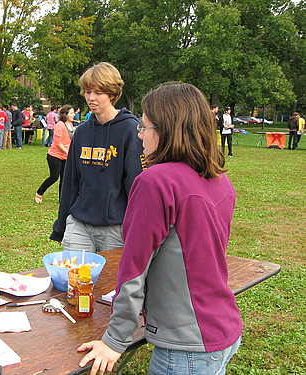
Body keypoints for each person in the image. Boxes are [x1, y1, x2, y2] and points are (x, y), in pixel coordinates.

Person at [78, 82, 242, 375]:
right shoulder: (221, 180)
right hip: (223, 328)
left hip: (186, 346)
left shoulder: (156, 182)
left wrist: (115, 340)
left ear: (166, 130)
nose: (139, 135)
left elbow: (134, 268)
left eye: (144, 127)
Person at [50, 62, 144, 253]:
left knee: (110, 282)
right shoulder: (82, 132)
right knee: (74, 279)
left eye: (98, 92)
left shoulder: (130, 131)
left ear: (112, 94)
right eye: (87, 91)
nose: (91, 98)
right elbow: (70, 182)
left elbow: (137, 187)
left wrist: (138, 231)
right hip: (80, 224)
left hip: (116, 227)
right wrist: (61, 226)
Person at [35, 105, 75, 203]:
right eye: (71, 113)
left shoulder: (71, 124)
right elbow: (58, 143)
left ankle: (62, 200)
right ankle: (39, 192)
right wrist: (68, 152)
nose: (73, 114)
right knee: (54, 177)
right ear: (65, 114)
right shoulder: (60, 125)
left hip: (66, 156)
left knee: (64, 178)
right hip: (54, 155)